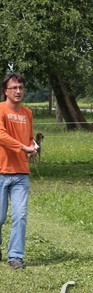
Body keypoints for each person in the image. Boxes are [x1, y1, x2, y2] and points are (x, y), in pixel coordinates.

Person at [0, 73, 36, 270]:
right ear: (5, 90)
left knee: (20, 215)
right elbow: (1, 135)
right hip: (1, 171)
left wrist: (32, 147)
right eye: (14, 88)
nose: (18, 91)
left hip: (21, 173)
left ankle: (15, 257)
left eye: (21, 87)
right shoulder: (0, 110)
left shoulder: (27, 113)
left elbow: (30, 137)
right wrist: (23, 148)